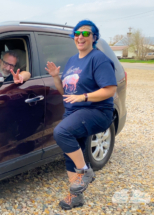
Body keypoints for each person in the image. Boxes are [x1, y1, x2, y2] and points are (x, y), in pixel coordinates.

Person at [45, 20, 117, 210]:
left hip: (96, 111)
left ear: (94, 37)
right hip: (74, 111)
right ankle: (75, 196)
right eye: (77, 33)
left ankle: (85, 172)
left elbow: (110, 89)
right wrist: (55, 77)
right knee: (71, 153)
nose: (80, 37)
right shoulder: (72, 60)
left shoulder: (98, 58)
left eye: (86, 34)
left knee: (61, 133)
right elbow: (65, 93)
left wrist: (84, 97)